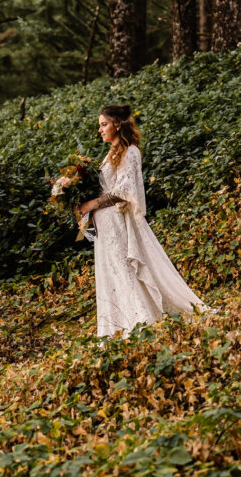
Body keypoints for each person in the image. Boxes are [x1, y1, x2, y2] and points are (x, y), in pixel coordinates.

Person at [76, 104, 205, 337]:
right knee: (113, 272)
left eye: (104, 124)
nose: (100, 130)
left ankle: (140, 320)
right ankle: (118, 322)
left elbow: (124, 190)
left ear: (117, 124)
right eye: (99, 126)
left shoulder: (130, 151)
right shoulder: (110, 153)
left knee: (126, 269)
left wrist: (92, 204)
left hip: (118, 222)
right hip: (105, 225)